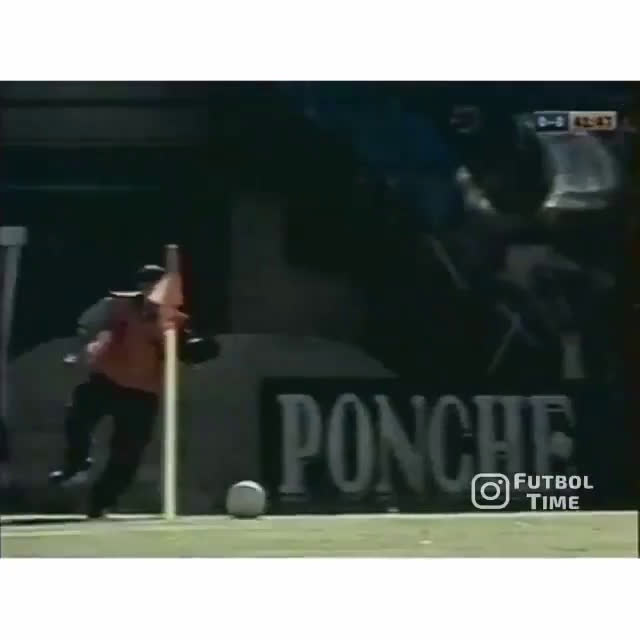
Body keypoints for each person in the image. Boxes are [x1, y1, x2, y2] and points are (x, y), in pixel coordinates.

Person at [49, 264, 219, 518]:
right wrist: (80, 350)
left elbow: (187, 352)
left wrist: (198, 350)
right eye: (148, 286)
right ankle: (76, 461)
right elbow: (87, 327)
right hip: (107, 380)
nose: (153, 292)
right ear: (140, 288)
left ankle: (101, 501)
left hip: (142, 393)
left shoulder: (175, 321)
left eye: (159, 287)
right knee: (77, 417)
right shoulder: (115, 305)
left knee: (127, 454)